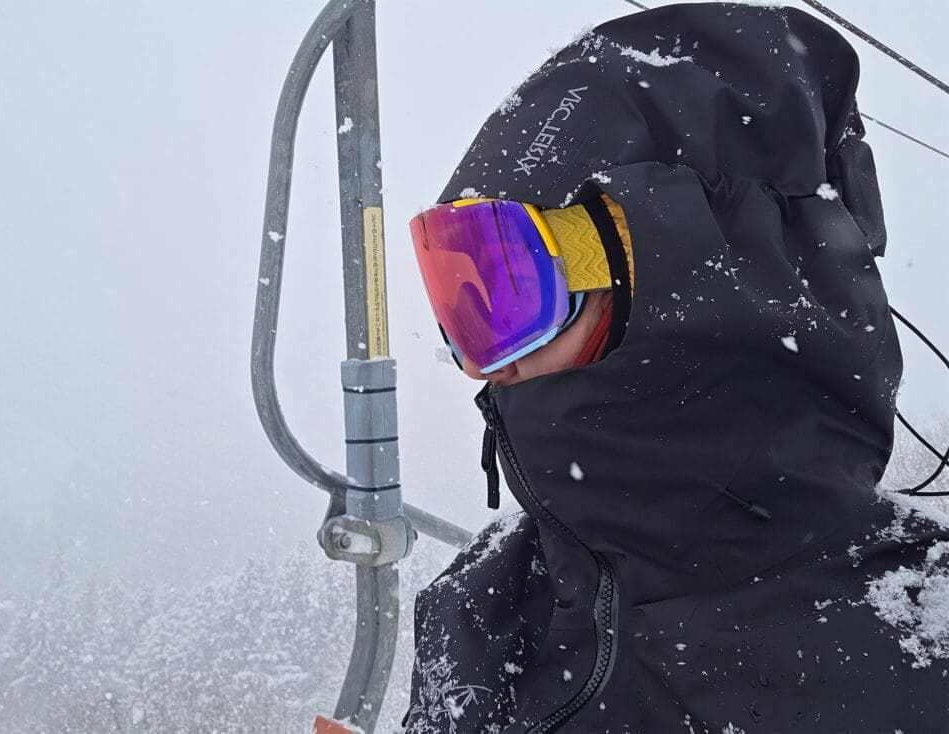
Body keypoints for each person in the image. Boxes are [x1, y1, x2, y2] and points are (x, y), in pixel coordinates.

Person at [402, 3, 949, 733]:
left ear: (683, 278)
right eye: (464, 311)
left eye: (512, 298)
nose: (488, 367)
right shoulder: (481, 606)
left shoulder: (918, 635)